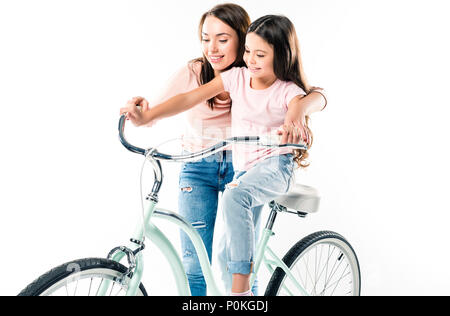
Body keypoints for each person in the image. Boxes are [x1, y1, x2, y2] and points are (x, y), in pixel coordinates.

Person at [121, 6, 327, 296]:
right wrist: (147, 114)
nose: (212, 48)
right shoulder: (227, 76)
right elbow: (185, 98)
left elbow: (314, 96)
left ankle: (242, 295)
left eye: (223, 39)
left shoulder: (277, 85)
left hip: (258, 166)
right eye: (205, 38)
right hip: (209, 166)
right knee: (207, 260)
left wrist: (297, 110)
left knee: (236, 249)